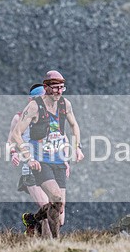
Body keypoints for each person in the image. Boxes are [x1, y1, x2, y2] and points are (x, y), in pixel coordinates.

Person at [11, 70, 84, 236]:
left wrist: (77, 147)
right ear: (46, 87)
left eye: (62, 88)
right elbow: (15, 134)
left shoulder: (65, 104)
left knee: (60, 213)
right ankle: (54, 243)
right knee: (56, 198)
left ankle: (33, 219)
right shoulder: (34, 107)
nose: (59, 91)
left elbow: (73, 126)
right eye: (56, 88)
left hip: (58, 161)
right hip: (40, 162)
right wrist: (27, 158)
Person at [8, 84, 50, 233]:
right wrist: (13, 153)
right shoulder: (18, 118)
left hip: (48, 167)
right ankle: (50, 243)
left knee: (54, 212)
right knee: (47, 208)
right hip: (30, 169)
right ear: (30, 100)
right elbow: (10, 141)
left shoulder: (48, 117)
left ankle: (33, 222)